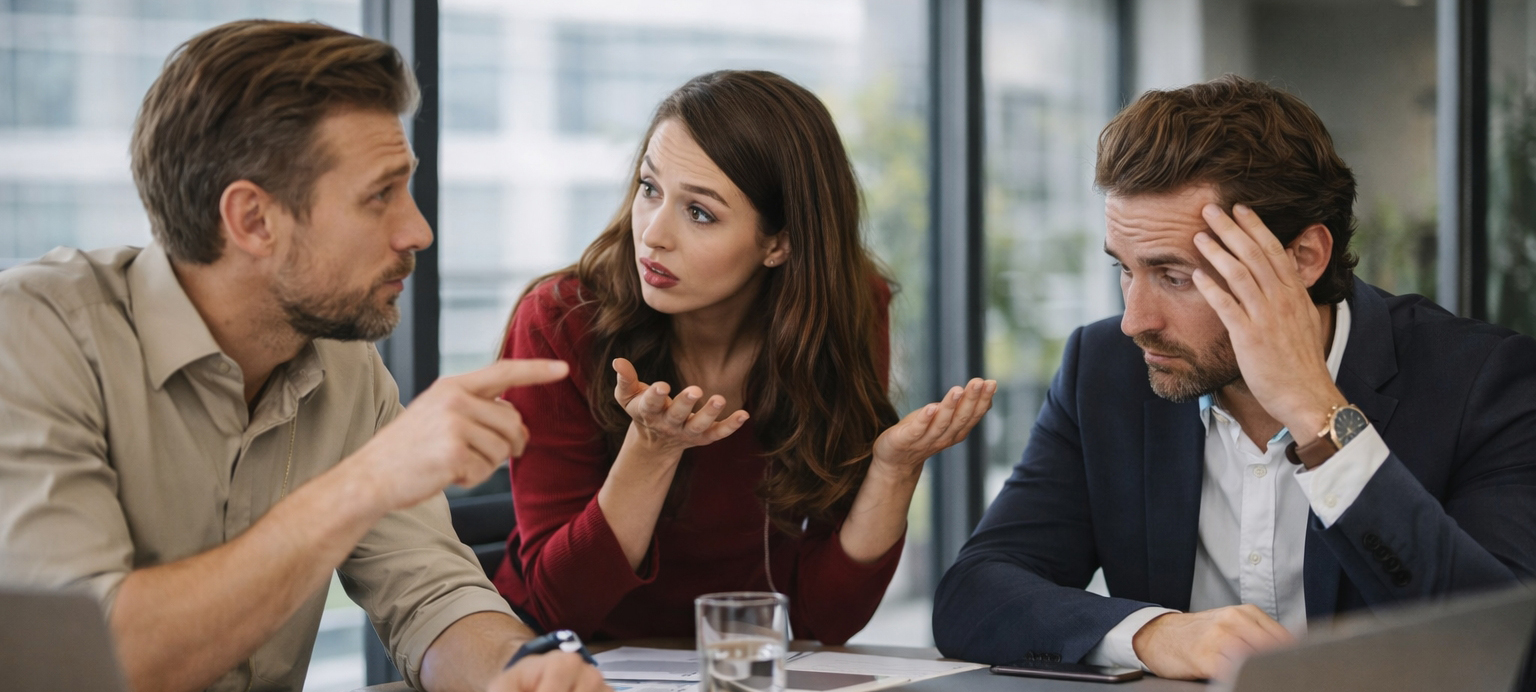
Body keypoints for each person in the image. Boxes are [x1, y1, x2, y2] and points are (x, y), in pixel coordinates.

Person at [0, 20, 606, 692]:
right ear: (253, 220)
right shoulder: (32, 336)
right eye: (380, 195)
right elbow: (88, 662)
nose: (418, 231)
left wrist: (519, 673)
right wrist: (368, 480)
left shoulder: (345, 363)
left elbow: (433, 597)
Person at [932, 75, 1536, 682]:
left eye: (1174, 277)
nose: (1135, 322)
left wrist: (1317, 413)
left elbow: (1505, 643)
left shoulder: (1483, 382)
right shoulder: (1103, 371)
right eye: (1126, 270)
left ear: (1303, 258)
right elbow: (974, 594)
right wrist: (1155, 633)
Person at [491, 70, 995, 643]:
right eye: (650, 188)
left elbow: (826, 619)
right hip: (566, 661)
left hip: (742, 661)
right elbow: (561, 606)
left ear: (780, 242)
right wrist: (653, 450)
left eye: (699, 213)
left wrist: (894, 470)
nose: (653, 234)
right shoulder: (560, 319)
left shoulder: (846, 310)